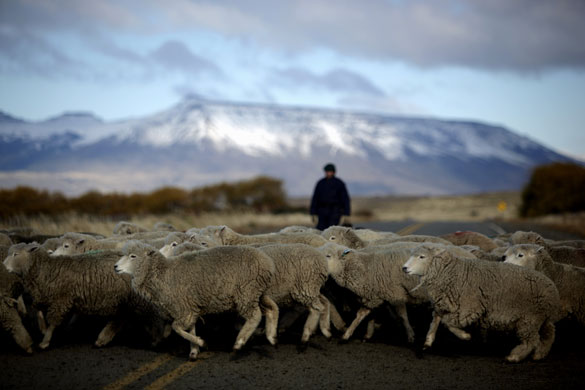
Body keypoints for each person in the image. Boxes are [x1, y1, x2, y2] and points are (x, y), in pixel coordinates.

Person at [310, 163, 351, 230]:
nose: (328, 173)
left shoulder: (339, 183)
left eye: (330, 171)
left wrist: (347, 213)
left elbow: (345, 199)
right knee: (320, 230)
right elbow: (315, 198)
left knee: (332, 231)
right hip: (322, 211)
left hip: (335, 211)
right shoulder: (320, 183)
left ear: (334, 172)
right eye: (327, 172)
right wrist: (313, 213)